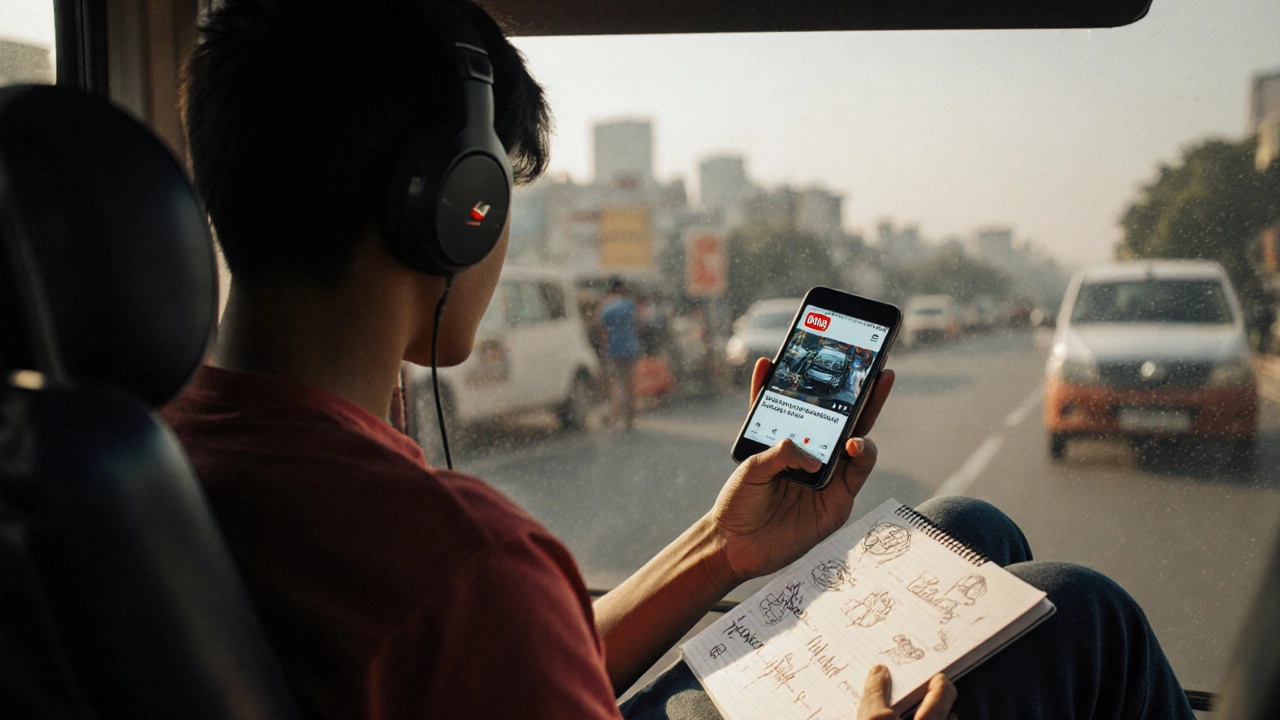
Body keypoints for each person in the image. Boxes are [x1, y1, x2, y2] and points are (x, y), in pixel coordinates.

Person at [162, 1, 1194, 718]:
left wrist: (721, 550)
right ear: (455, 205)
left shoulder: (158, 445)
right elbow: (485, 636)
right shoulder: (459, 566)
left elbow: (507, 670)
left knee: (962, 531)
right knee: (1085, 615)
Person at [596, 276, 642, 429]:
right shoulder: (629, 304)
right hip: (630, 348)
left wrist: (604, 348)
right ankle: (630, 417)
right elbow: (638, 324)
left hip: (613, 349)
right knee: (629, 383)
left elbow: (601, 329)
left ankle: (615, 414)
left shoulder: (605, 306)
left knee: (615, 383)